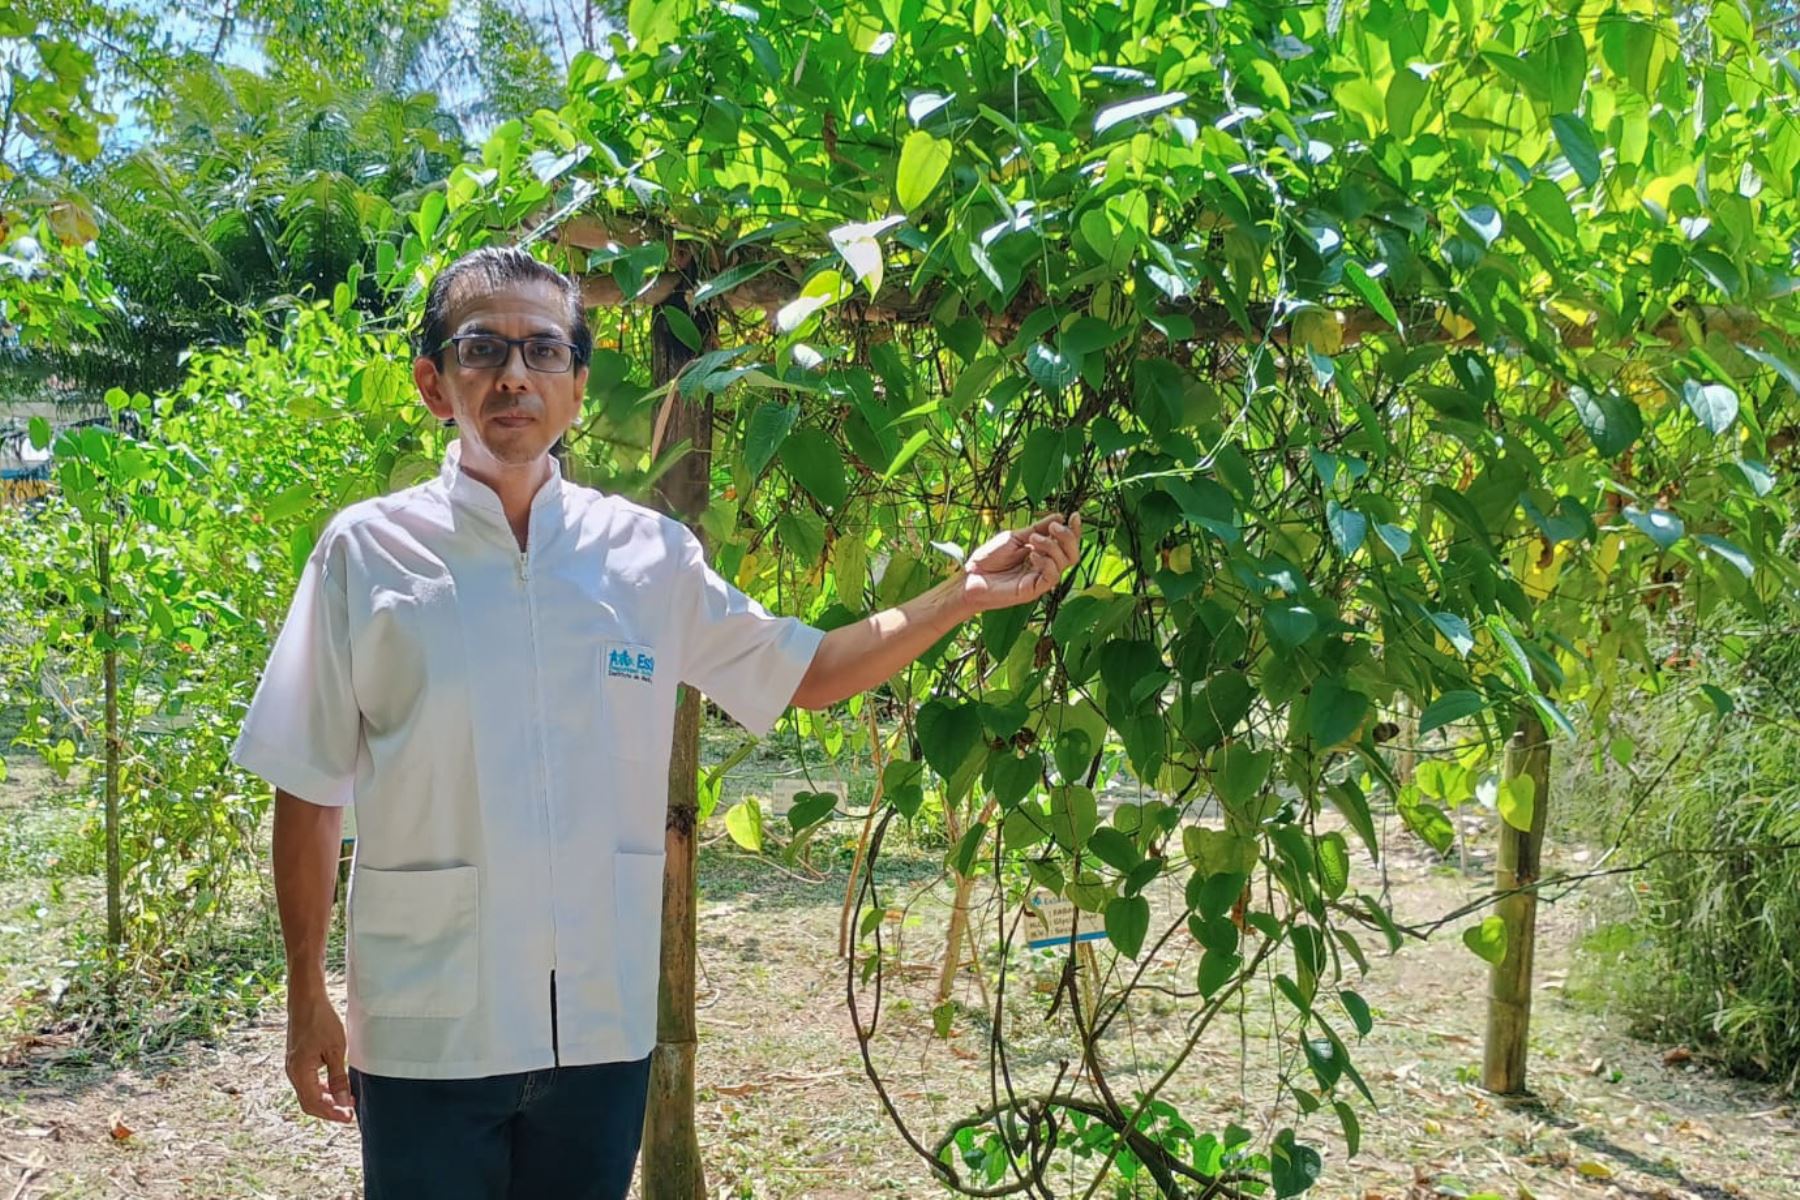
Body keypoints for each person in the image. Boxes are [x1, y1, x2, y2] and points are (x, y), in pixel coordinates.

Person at [232, 245, 1083, 1199]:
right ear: (435, 383)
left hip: (599, 1022)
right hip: (429, 1022)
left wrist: (957, 596)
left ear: (578, 387)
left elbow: (806, 671)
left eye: (544, 351)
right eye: (481, 349)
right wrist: (306, 989)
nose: (514, 374)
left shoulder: (644, 556)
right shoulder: (367, 553)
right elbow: (307, 783)